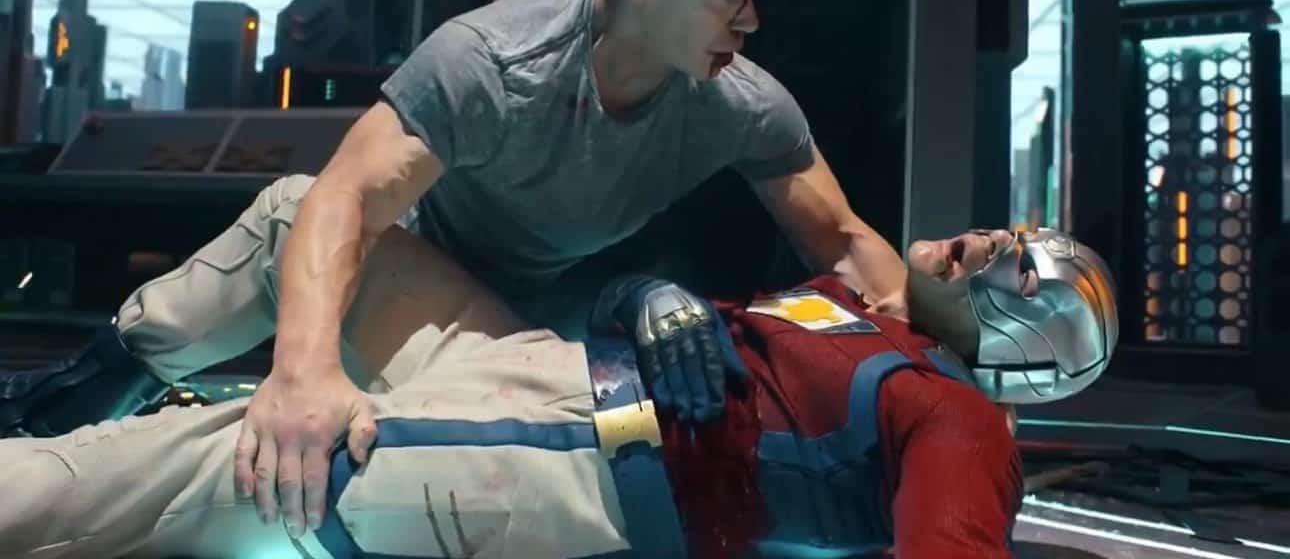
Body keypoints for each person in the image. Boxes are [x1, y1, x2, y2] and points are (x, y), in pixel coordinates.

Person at [1, 0, 912, 535]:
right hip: (391, 289)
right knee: (294, 212)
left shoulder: (738, 103)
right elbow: (345, 200)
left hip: (513, 337)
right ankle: (67, 407)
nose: (751, 21)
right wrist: (303, 375)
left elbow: (843, 241)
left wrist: (935, 354)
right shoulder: (494, 59)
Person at [0, 226, 1119, 559]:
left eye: (1019, 268)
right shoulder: (859, 312)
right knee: (313, 218)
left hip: (558, 451)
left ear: (1032, 343)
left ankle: (45, 463)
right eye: (1009, 234)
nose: (989, 242)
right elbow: (631, 307)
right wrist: (652, 294)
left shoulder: (959, 422)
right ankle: (65, 399)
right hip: (537, 370)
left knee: (175, 471)